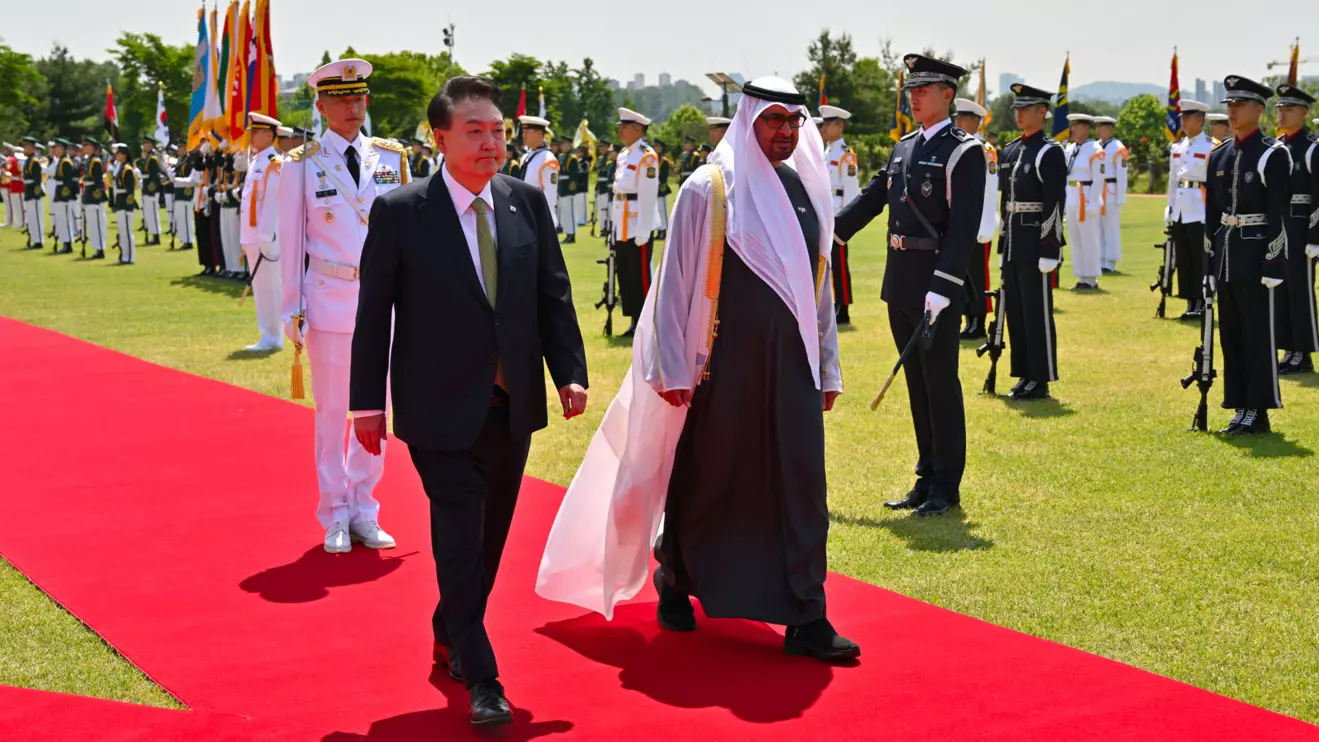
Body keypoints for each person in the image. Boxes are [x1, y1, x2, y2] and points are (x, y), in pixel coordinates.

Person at [537, 76, 857, 662]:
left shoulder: (807, 188)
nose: (785, 132)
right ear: (749, 119)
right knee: (708, 479)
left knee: (803, 484)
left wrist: (828, 367)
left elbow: (819, 290)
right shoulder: (710, 189)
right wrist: (672, 366)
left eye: (794, 122)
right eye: (773, 120)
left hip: (792, 369)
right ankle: (677, 578)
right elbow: (674, 286)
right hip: (719, 368)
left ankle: (807, 614)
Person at [350, 75, 588, 727]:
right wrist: (364, 402)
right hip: (436, 407)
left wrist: (568, 370)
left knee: (486, 541)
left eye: (498, 131)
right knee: (458, 533)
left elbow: (552, 294)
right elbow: (374, 315)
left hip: (511, 406)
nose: (491, 143)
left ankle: (448, 625)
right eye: (475, 131)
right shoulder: (402, 211)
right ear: (441, 139)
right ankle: (482, 678)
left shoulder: (525, 203)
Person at [835, 55, 985, 516]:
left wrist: (943, 287)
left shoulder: (965, 151)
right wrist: (826, 234)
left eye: (925, 89)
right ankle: (926, 476)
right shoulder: (903, 147)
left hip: (933, 286)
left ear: (948, 94)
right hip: (899, 281)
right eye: (911, 90)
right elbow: (872, 199)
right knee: (916, 383)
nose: (914, 97)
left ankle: (946, 486)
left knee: (940, 382)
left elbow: (963, 228)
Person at [278, 58, 408, 553]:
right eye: (341, 99)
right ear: (321, 105)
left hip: (383, 303)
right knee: (333, 413)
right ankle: (333, 511)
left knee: (376, 409)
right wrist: (293, 307)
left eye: (359, 98)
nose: (352, 107)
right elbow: (291, 242)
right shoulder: (301, 164)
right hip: (330, 300)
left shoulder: (392, 159)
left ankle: (364, 508)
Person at [1205, 75, 1290, 434]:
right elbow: (1212, 217)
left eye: (1241, 104)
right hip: (1227, 255)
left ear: (1259, 109)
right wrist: (1210, 264)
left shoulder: (1272, 154)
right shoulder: (1219, 154)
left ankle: (1260, 408)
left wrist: (1274, 259)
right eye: (1230, 104)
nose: (1233, 110)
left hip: (1257, 256)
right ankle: (1239, 405)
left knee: (1258, 336)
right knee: (1233, 337)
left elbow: (1280, 213)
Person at [997, 83, 1066, 400]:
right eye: (1017, 109)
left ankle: (1040, 377)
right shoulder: (1010, 151)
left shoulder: (1049, 152)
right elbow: (1005, 201)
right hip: (1013, 240)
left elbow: (1054, 203)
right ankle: (1023, 373)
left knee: (1037, 313)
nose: (1020, 114)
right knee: (1017, 312)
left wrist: (1050, 247)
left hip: (1035, 242)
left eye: (1026, 109)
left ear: (1043, 112)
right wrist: (1002, 242)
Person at [1271, 84, 1319, 375]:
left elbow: (1318, 196)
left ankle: (1304, 352)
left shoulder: (1312, 149)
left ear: (1303, 112)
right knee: (1282, 290)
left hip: (1302, 230)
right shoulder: (1278, 148)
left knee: (1301, 292)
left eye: (1288, 109)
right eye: (1279, 109)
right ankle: (1289, 349)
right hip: (1281, 229)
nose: (1281, 114)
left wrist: (1314, 237)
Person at [609, 108, 661, 337]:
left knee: (640, 275)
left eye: (626, 126)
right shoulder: (624, 155)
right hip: (622, 223)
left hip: (637, 223)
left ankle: (645, 320)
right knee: (626, 274)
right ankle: (633, 319)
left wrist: (644, 229)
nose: (621, 130)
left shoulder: (646, 156)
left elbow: (648, 195)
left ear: (639, 129)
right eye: (621, 126)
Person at [953, 98, 1001, 340]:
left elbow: (989, 192)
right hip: (960, 223)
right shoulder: (959, 147)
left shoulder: (986, 151)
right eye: (957, 118)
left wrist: (984, 226)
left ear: (976, 121)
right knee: (961, 274)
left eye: (963, 118)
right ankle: (966, 319)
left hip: (978, 224)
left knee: (977, 274)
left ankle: (978, 320)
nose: (958, 122)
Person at [240, 113, 285, 352]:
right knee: (261, 287)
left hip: (264, 237)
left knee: (270, 286)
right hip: (253, 236)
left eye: (256, 132)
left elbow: (272, 204)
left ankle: (274, 336)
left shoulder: (274, 163)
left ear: (269, 135)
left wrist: (266, 237)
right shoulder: (257, 162)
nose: (251, 136)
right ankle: (267, 334)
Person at [1165, 99, 1213, 319]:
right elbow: (1173, 180)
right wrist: (1170, 206)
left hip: (1200, 207)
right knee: (1183, 257)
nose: (1182, 121)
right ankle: (1190, 301)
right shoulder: (1178, 146)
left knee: (1200, 257)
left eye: (1187, 117)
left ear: (1200, 119)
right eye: (1182, 117)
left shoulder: (1211, 147)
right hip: (1181, 208)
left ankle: (1203, 301)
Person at [819, 105, 859, 324]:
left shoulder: (846, 156)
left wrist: (848, 222)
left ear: (840, 125)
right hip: (824, 213)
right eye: (823, 123)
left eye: (828, 123)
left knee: (839, 263)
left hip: (838, 215)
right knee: (828, 263)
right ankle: (831, 303)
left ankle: (842, 307)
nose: (824, 128)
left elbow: (851, 192)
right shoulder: (825, 152)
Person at [1063, 114, 1104, 290]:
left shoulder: (1095, 149)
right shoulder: (1070, 149)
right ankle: (1081, 275)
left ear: (1085, 128)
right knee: (1075, 238)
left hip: (1086, 194)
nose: (1072, 129)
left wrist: (1094, 201)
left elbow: (1099, 178)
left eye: (1076, 126)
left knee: (1089, 238)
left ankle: (1091, 277)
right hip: (1072, 193)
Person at [1094, 116, 1127, 274]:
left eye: (1101, 127)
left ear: (1108, 128)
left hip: (1111, 189)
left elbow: (1122, 174)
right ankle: (1100, 259)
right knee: (1098, 227)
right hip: (1097, 188)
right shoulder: (1096, 146)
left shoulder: (1117, 147)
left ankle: (1110, 262)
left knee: (1110, 226)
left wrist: (1120, 197)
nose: (1098, 130)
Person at [516, 116, 559, 229]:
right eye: (523, 132)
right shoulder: (526, 157)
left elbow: (550, 195)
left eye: (527, 132)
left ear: (539, 134)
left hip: (539, 220)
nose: (523, 135)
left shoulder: (548, 160)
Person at [47, 138, 77, 254]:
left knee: (65, 219)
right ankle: (65, 242)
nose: (54, 149)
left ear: (63, 148)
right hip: (59, 191)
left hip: (63, 193)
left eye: (57, 147)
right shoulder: (61, 161)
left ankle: (67, 244)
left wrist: (64, 195)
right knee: (61, 219)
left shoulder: (65, 162)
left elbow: (68, 181)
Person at [80, 138, 109, 259]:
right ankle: (97, 247)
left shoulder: (95, 162)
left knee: (97, 222)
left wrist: (97, 197)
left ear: (93, 147)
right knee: (92, 223)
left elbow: (98, 182)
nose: (84, 147)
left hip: (94, 195)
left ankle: (100, 248)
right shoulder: (89, 161)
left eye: (86, 145)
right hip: (89, 193)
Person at [20, 137, 45, 250]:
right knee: (31, 217)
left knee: (36, 217)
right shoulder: (28, 160)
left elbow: (37, 180)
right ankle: (35, 238)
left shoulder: (34, 161)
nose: (25, 148)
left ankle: (38, 240)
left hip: (33, 192)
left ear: (32, 148)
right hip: (28, 190)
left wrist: (36, 194)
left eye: (27, 146)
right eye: (24, 146)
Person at [170, 147, 197, 251]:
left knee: (186, 218)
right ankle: (183, 239)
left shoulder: (190, 162)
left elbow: (190, 180)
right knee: (180, 217)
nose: (179, 150)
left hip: (186, 193)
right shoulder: (179, 162)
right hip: (178, 192)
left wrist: (175, 179)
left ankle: (189, 240)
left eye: (181, 148)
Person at [139, 136, 164, 245]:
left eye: (146, 143)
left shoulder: (152, 158)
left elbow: (155, 175)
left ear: (151, 145)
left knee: (153, 213)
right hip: (146, 187)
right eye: (143, 143)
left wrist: (151, 189)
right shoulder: (147, 157)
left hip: (151, 188)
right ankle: (153, 234)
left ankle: (156, 236)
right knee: (149, 213)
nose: (144, 145)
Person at [555, 138, 580, 243]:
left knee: (570, 213)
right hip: (561, 187)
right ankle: (567, 233)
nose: (564, 147)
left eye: (566, 145)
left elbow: (574, 175)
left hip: (568, 189)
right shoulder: (561, 157)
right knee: (565, 213)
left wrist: (571, 188)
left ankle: (571, 235)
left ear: (570, 145)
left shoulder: (572, 158)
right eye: (562, 145)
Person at [652, 138, 672, 240]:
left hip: (661, 188)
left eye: (657, 146)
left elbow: (664, 176)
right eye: (654, 146)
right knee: (655, 211)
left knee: (662, 211)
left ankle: (663, 231)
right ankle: (658, 230)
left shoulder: (664, 161)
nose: (655, 148)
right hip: (653, 189)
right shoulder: (652, 160)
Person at [2, 143, 22, 231]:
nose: (3, 151)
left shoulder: (13, 160)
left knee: (12, 204)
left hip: (11, 183)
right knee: (10, 204)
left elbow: (9, 170)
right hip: (8, 183)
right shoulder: (8, 160)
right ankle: (11, 220)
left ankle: (11, 221)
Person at [594, 141, 613, 226]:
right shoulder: (600, 158)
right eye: (600, 147)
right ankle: (602, 227)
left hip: (606, 186)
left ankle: (607, 227)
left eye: (603, 147)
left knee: (607, 208)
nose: (601, 149)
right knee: (601, 208)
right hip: (600, 186)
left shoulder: (610, 159)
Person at [573, 144, 591, 227]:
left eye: (579, 151)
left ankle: (583, 220)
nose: (577, 153)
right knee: (577, 204)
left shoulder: (585, 162)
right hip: (577, 186)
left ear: (583, 152)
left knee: (582, 204)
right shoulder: (578, 161)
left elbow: (582, 172)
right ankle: (578, 219)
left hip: (583, 186)